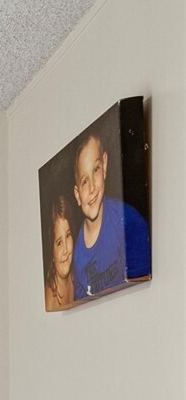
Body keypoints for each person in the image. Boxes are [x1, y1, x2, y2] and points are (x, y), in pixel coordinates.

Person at [72, 127, 150, 298]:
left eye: (96, 169)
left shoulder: (128, 221)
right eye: (84, 181)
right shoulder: (75, 254)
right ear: (77, 195)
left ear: (105, 165)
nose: (92, 188)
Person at [45, 193, 76, 311]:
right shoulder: (50, 303)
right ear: (51, 252)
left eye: (68, 236)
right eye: (59, 243)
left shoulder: (75, 276)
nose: (65, 250)